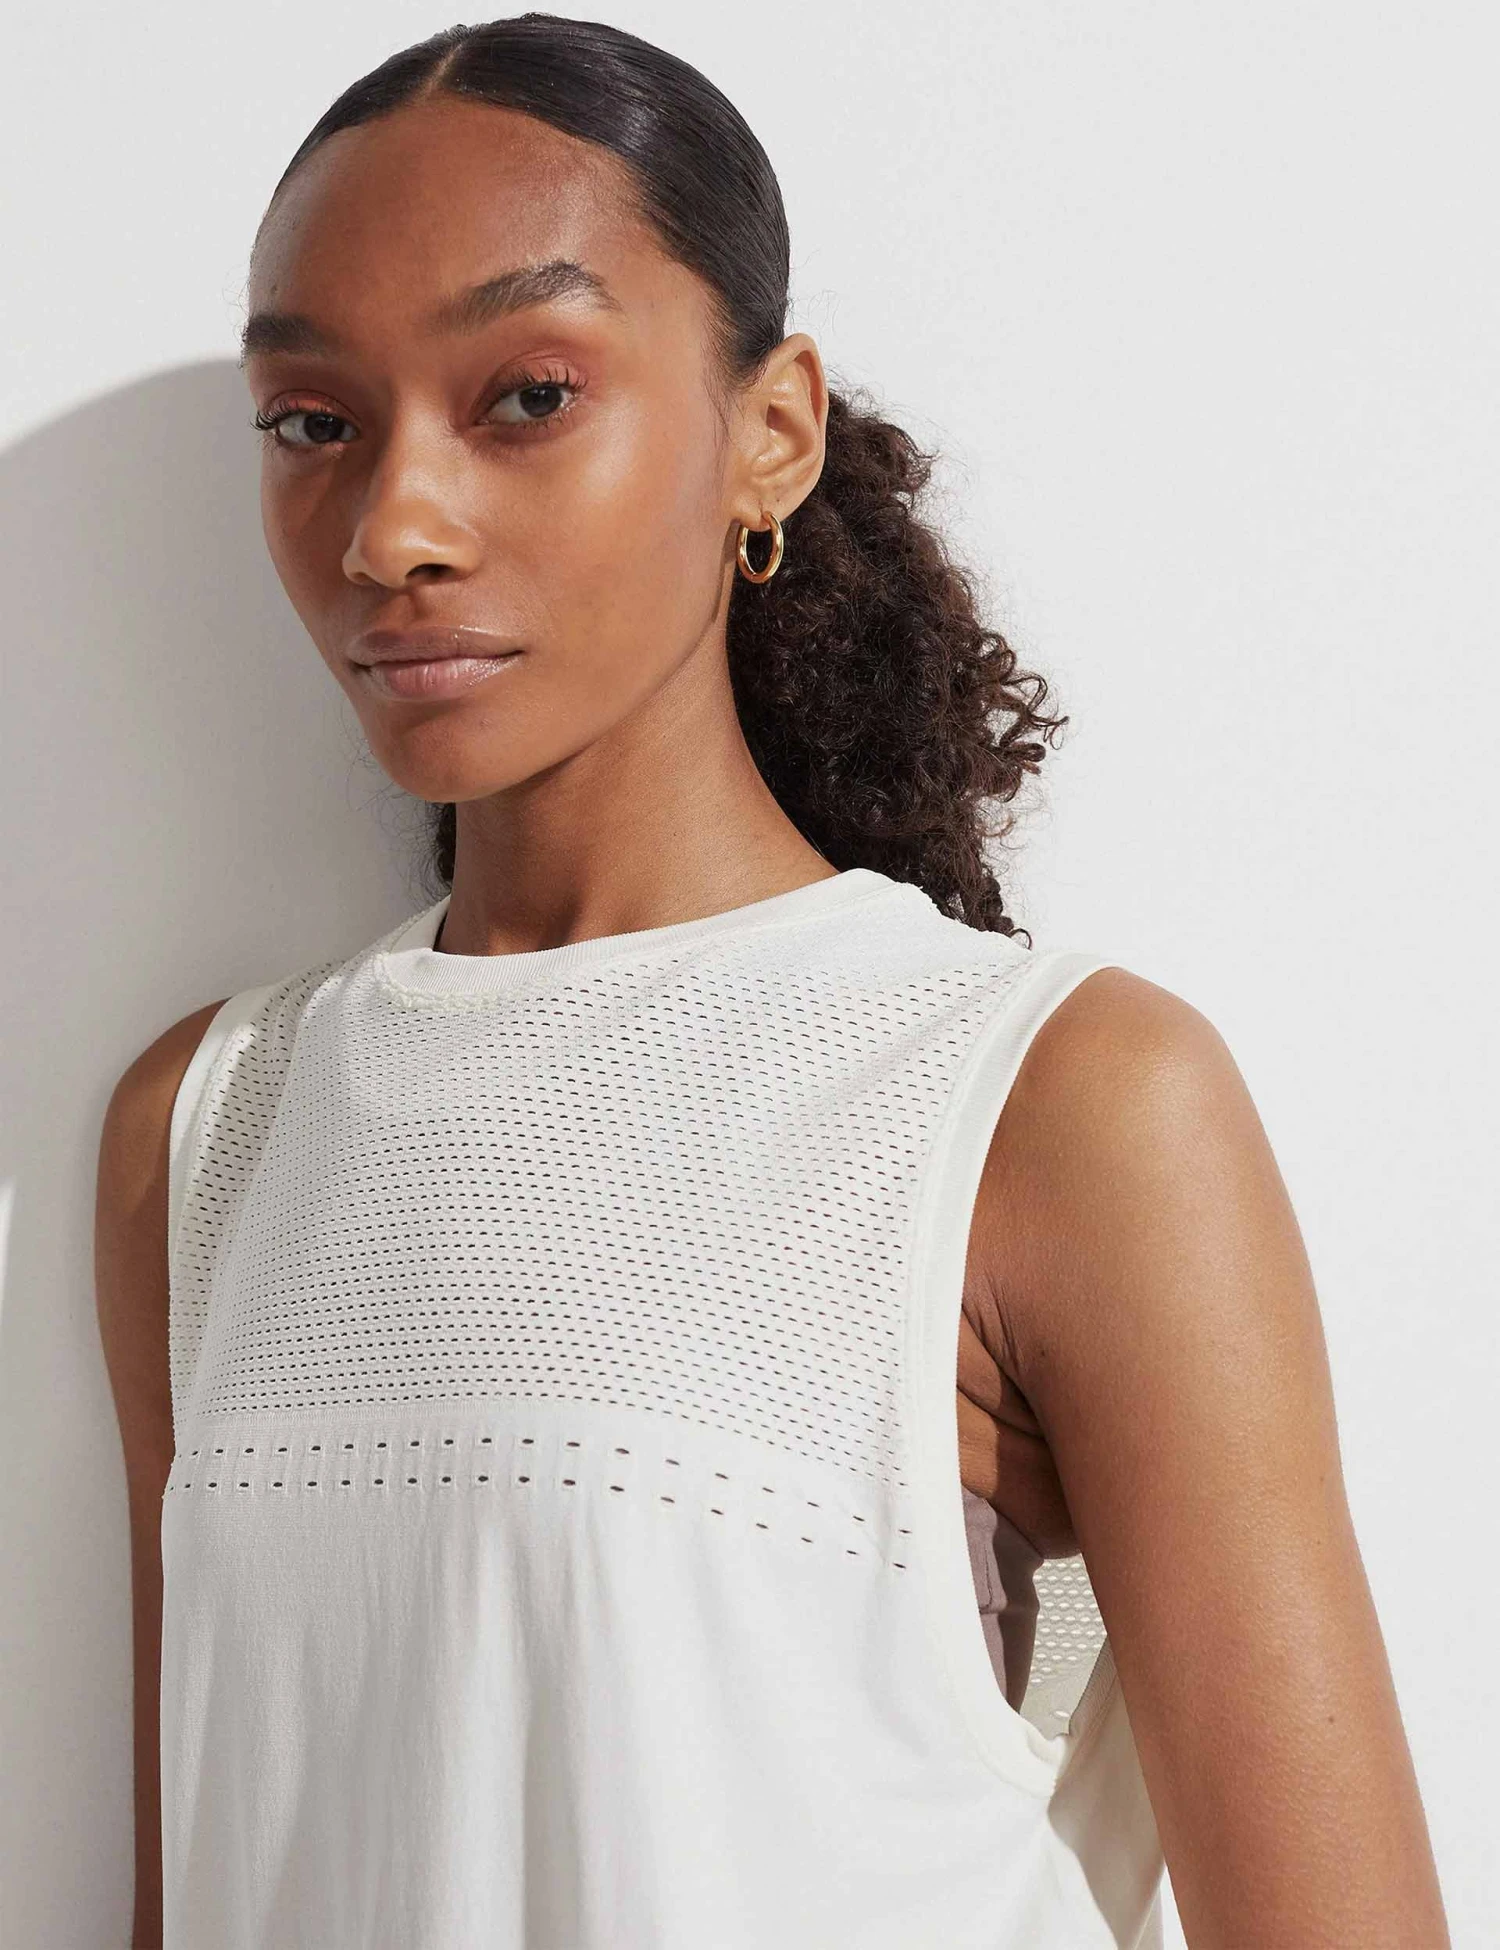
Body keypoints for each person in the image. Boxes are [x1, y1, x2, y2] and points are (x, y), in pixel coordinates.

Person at [93, 15, 1449, 1949]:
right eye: (314, 421)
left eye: (527, 395)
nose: (393, 528)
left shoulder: (1057, 1103)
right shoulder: (206, 1133)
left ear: (772, 432)